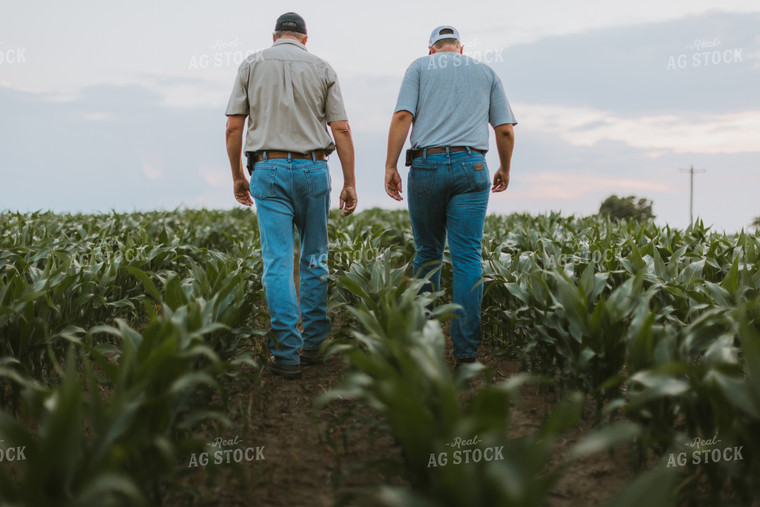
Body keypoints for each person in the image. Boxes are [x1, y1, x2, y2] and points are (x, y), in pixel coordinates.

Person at [225, 12, 357, 380]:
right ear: (305, 39)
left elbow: (234, 125)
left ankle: (286, 355)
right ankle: (314, 345)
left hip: (267, 170)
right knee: (314, 258)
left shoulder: (251, 64)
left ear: (274, 36)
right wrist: (350, 181)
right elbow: (341, 128)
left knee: (277, 263)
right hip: (314, 169)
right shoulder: (322, 67)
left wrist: (237, 174)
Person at [384, 25, 516, 367]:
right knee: (468, 258)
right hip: (473, 166)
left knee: (428, 253)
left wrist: (391, 166)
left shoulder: (418, 67)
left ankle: (427, 345)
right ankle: (467, 353)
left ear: (431, 49)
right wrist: (504, 167)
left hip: (426, 167)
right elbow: (503, 129)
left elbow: (402, 116)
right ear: (461, 48)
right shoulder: (486, 71)